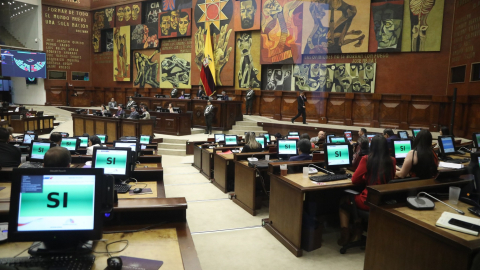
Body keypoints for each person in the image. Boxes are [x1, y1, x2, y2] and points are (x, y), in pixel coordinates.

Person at [338, 135, 395, 246]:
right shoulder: (392, 160)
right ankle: (358, 231)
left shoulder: (367, 159)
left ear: (371, 146)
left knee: (344, 200)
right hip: (384, 200)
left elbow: (354, 180)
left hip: (368, 200)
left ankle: (346, 234)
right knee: (355, 198)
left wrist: (365, 177)